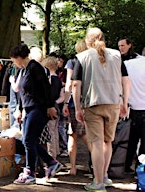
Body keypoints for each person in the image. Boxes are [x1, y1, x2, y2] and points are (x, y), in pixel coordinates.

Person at [72, 27, 130, 191]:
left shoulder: (82, 57)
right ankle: (104, 176)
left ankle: (97, 183)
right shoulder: (117, 55)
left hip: (93, 104)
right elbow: (126, 80)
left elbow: (76, 84)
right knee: (107, 141)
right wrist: (124, 102)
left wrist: (77, 107)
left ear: (87, 41)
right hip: (113, 104)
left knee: (96, 143)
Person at [10, 44, 62, 185]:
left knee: (28, 140)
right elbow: (22, 92)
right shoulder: (25, 70)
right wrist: (20, 109)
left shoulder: (35, 67)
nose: (13, 63)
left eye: (14, 60)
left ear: (19, 57)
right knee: (29, 140)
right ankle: (50, 162)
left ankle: (31, 171)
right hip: (29, 108)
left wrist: (50, 106)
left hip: (38, 108)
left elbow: (46, 88)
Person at [62, 39, 90, 176]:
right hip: (91, 103)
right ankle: (99, 165)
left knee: (73, 135)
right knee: (89, 136)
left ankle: (72, 167)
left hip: (75, 103)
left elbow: (69, 84)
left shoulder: (72, 62)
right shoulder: (93, 62)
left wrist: (66, 103)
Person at [124, 55, 145, 174]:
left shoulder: (128, 64)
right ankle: (141, 168)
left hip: (131, 108)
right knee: (144, 143)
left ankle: (126, 165)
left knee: (131, 139)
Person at [41, 56, 64, 159]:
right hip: (57, 109)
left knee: (50, 134)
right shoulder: (59, 80)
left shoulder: (47, 80)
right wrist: (55, 103)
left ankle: (51, 157)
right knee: (55, 132)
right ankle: (56, 153)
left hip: (49, 109)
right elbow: (62, 97)